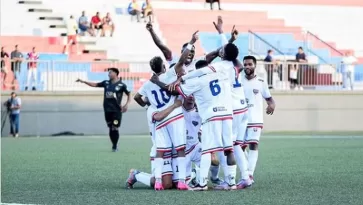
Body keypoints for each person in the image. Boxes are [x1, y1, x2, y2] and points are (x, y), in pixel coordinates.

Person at [132, 32, 200, 191]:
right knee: (181, 149)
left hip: (161, 121)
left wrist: (147, 103)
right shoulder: (169, 74)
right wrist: (191, 41)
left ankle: (159, 182)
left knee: (163, 153)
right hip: (174, 117)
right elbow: (182, 60)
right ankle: (182, 180)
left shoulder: (148, 84)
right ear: (164, 66)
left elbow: (137, 97)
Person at [169, 44, 241, 191]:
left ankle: (202, 183)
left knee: (207, 150)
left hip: (211, 115)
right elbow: (237, 66)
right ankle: (231, 182)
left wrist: (180, 79)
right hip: (227, 113)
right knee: (229, 149)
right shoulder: (226, 72)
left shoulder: (199, 80)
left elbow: (178, 90)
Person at [145, 16, 236, 72]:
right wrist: (151, 31)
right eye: (189, 50)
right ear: (182, 52)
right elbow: (162, 46)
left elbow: (218, 51)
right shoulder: (175, 60)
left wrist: (228, 38)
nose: (191, 53)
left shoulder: (198, 61)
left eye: (193, 51)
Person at [76, 68, 131, 152]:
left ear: (116, 73)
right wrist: (84, 81)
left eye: (110, 72)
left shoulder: (121, 85)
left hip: (116, 111)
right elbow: (94, 84)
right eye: (108, 73)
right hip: (107, 110)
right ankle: (113, 145)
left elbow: (129, 94)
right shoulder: (106, 83)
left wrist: (126, 105)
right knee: (110, 127)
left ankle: (115, 146)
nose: (108, 74)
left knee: (115, 127)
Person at [241, 55, 275, 183]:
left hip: (255, 119)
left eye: (250, 64)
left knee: (253, 145)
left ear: (255, 65)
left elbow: (269, 99)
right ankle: (245, 171)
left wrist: (272, 105)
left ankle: (249, 174)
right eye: (245, 64)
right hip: (241, 120)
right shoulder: (238, 80)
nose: (247, 67)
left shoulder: (261, 81)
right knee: (239, 148)